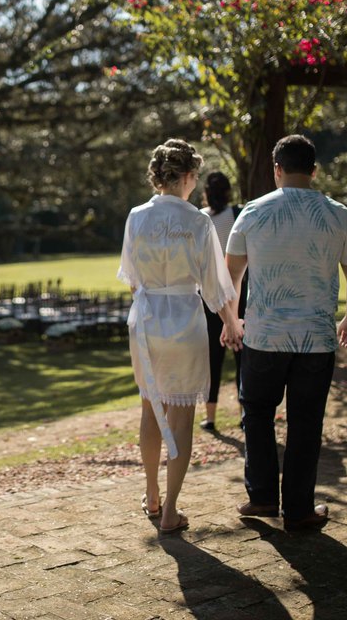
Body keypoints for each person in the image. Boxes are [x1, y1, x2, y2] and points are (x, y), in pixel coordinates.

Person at [224, 134, 347, 533]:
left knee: (257, 414)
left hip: (264, 336)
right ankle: (299, 509)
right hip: (316, 339)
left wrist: (231, 320)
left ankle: (263, 497)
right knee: (306, 422)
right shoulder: (337, 213)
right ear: (314, 171)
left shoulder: (253, 211)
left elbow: (231, 274)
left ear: (277, 170)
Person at [119, 139, 242, 535]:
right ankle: (170, 507)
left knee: (150, 407)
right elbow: (215, 286)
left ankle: (152, 492)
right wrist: (231, 322)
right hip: (186, 321)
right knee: (182, 415)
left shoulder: (136, 216)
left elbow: (132, 279)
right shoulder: (198, 221)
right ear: (189, 176)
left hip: (147, 321)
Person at [199, 171, 246, 433]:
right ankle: (243, 413)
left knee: (212, 358)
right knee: (242, 355)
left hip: (209, 294)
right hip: (239, 289)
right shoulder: (238, 214)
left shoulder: (200, 217)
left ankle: (211, 416)